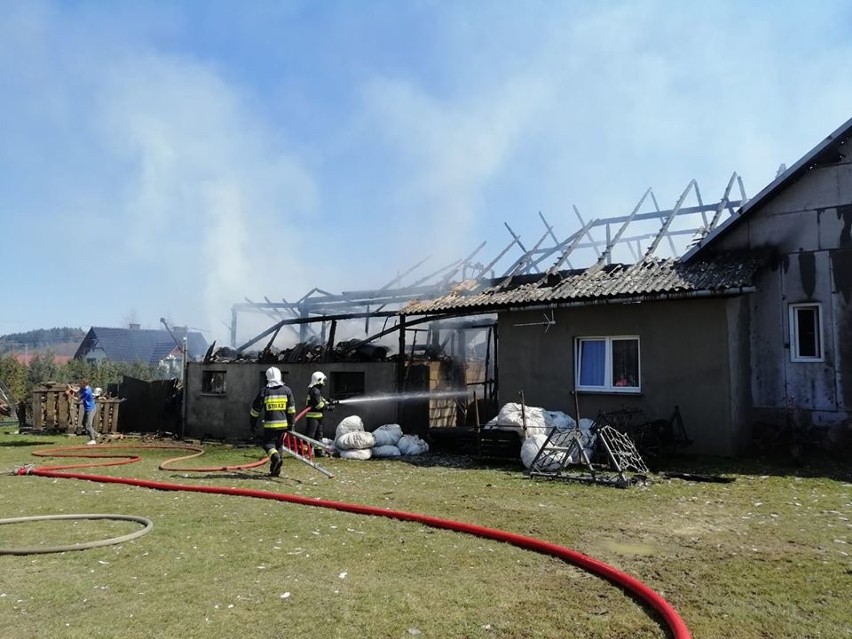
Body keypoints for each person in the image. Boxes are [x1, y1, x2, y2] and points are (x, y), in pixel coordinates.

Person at [249, 366, 296, 477]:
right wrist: (291, 424)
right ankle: (275, 470)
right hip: (283, 426)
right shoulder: (287, 390)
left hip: (270, 426)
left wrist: (253, 423)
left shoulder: (265, 391)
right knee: (279, 446)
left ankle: (275, 458)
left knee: (268, 444)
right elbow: (291, 410)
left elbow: (255, 410)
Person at [301, 371, 333, 455]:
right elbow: (319, 405)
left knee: (318, 435)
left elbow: (321, 400)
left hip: (318, 417)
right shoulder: (315, 391)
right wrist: (328, 407)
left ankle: (318, 452)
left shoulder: (316, 391)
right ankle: (304, 452)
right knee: (310, 436)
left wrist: (328, 401)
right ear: (319, 380)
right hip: (313, 417)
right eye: (323, 380)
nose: (324, 383)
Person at [75, 378, 99, 445]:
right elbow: (78, 391)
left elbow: (78, 400)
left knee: (88, 425)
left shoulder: (87, 392)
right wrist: (71, 389)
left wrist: (70, 395)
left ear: (85, 384)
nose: (80, 384)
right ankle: (95, 434)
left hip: (90, 409)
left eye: (81, 384)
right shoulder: (84, 388)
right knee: (84, 423)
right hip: (88, 408)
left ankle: (93, 440)